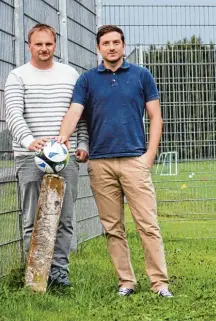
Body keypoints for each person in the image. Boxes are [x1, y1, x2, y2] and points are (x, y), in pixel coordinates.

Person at [57, 25, 172, 298]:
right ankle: (126, 282)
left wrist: (149, 156)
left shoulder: (141, 75)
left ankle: (160, 284)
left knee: (148, 225)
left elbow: (156, 117)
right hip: (101, 164)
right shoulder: (86, 80)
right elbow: (75, 112)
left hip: (135, 161)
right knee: (113, 228)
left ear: (123, 45)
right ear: (98, 48)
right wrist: (62, 137)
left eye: (116, 42)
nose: (111, 47)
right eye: (106, 43)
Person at [4, 24, 89, 287]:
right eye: (38, 44)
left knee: (64, 219)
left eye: (48, 44)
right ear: (29, 46)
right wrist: (31, 142)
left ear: (56, 45)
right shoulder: (17, 76)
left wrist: (82, 143)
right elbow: (13, 116)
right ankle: (35, 277)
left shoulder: (70, 74)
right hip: (30, 157)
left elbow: (80, 115)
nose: (44, 49)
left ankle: (59, 277)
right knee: (32, 219)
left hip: (65, 158)